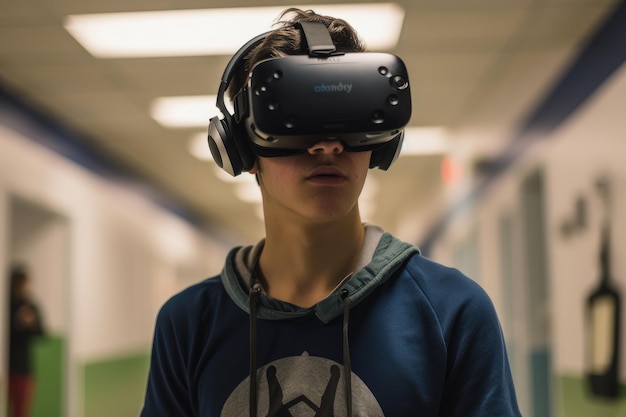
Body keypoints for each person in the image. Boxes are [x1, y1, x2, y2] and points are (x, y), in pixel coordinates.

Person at [141, 8, 521, 417]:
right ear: (243, 150)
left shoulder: (453, 313)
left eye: (348, 121)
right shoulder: (187, 325)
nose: (328, 146)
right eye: (293, 120)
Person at [8, 264, 45, 417]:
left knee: (21, 411)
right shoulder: (7, 305)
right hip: (7, 365)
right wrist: (18, 323)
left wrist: (30, 323)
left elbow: (41, 333)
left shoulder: (30, 305)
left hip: (24, 367)